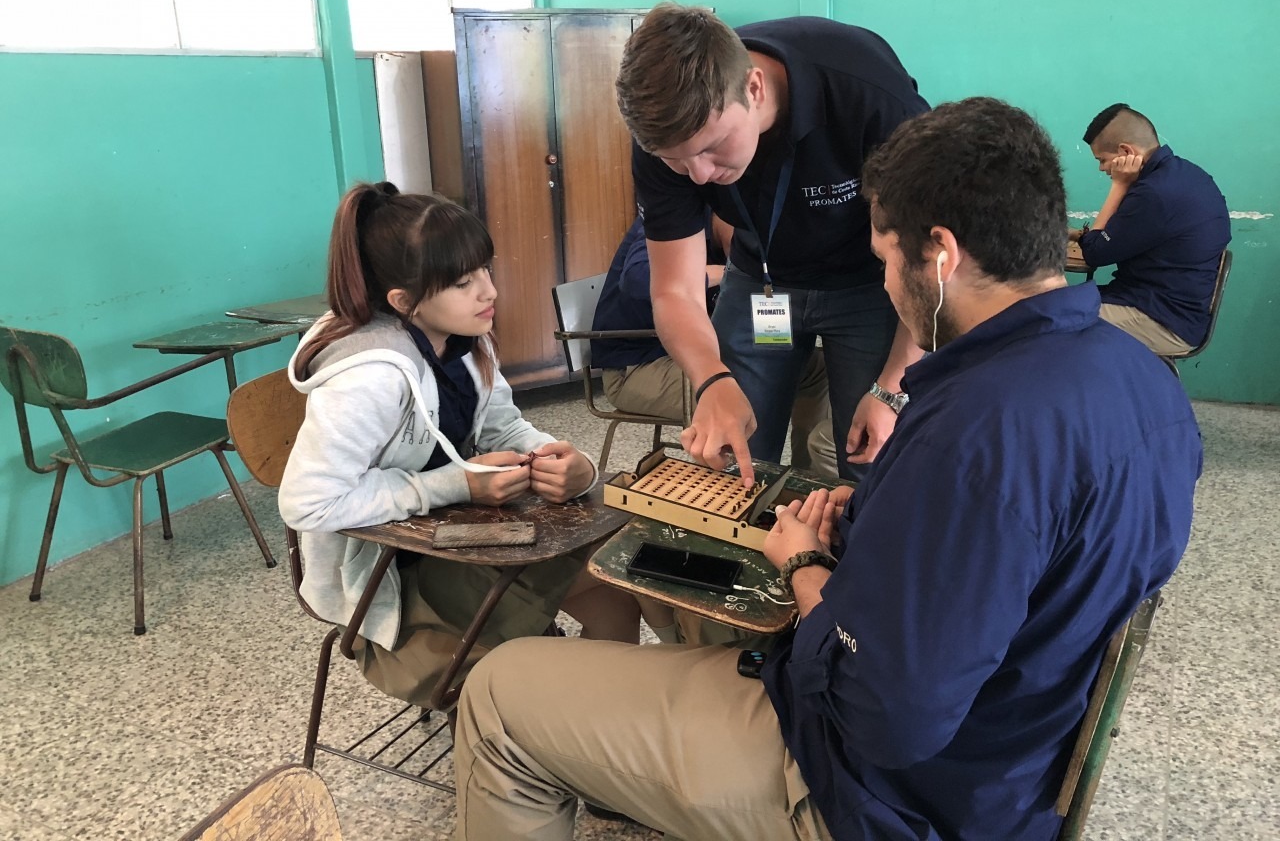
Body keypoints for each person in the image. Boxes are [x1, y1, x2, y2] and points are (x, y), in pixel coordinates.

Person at [449, 98, 1201, 841]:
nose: (886, 285)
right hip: (1015, 764)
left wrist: (805, 564)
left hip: (884, 796)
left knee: (498, 694)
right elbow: (1024, 561)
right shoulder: (1143, 380)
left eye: (885, 259)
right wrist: (879, 520)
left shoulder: (971, 436)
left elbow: (884, 717)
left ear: (940, 254)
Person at [278, 182, 641, 709]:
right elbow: (308, 503)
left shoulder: (466, 339)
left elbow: (503, 427)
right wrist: (456, 485)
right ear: (404, 302)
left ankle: (611, 727)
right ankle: (578, 729)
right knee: (615, 574)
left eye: (485, 270)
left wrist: (571, 463)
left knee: (618, 586)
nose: (489, 292)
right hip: (392, 581)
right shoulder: (370, 377)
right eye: (463, 282)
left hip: (461, 541)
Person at [615, 2, 931, 486]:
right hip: (761, 277)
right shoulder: (665, 136)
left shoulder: (868, 92)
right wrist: (711, 379)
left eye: (711, 147)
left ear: (755, 88)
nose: (698, 175)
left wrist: (891, 390)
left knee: (871, 456)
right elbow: (675, 290)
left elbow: (926, 264)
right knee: (728, 457)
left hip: (872, 283)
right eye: (678, 161)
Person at [593, 214, 837, 476]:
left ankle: (805, 479)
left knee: (817, 369)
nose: (753, 247)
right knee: (747, 387)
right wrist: (728, 272)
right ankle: (737, 487)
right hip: (635, 367)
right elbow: (637, 278)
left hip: (697, 355)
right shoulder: (677, 217)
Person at [1069, 103, 1231, 356]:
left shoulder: (1155, 193)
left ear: (1126, 152)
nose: (1102, 168)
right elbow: (1122, 236)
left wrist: (1119, 185)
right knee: (1053, 304)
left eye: (1102, 160)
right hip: (1158, 302)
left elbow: (1095, 254)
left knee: (1047, 323)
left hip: (1162, 319)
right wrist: (1078, 234)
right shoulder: (1184, 174)